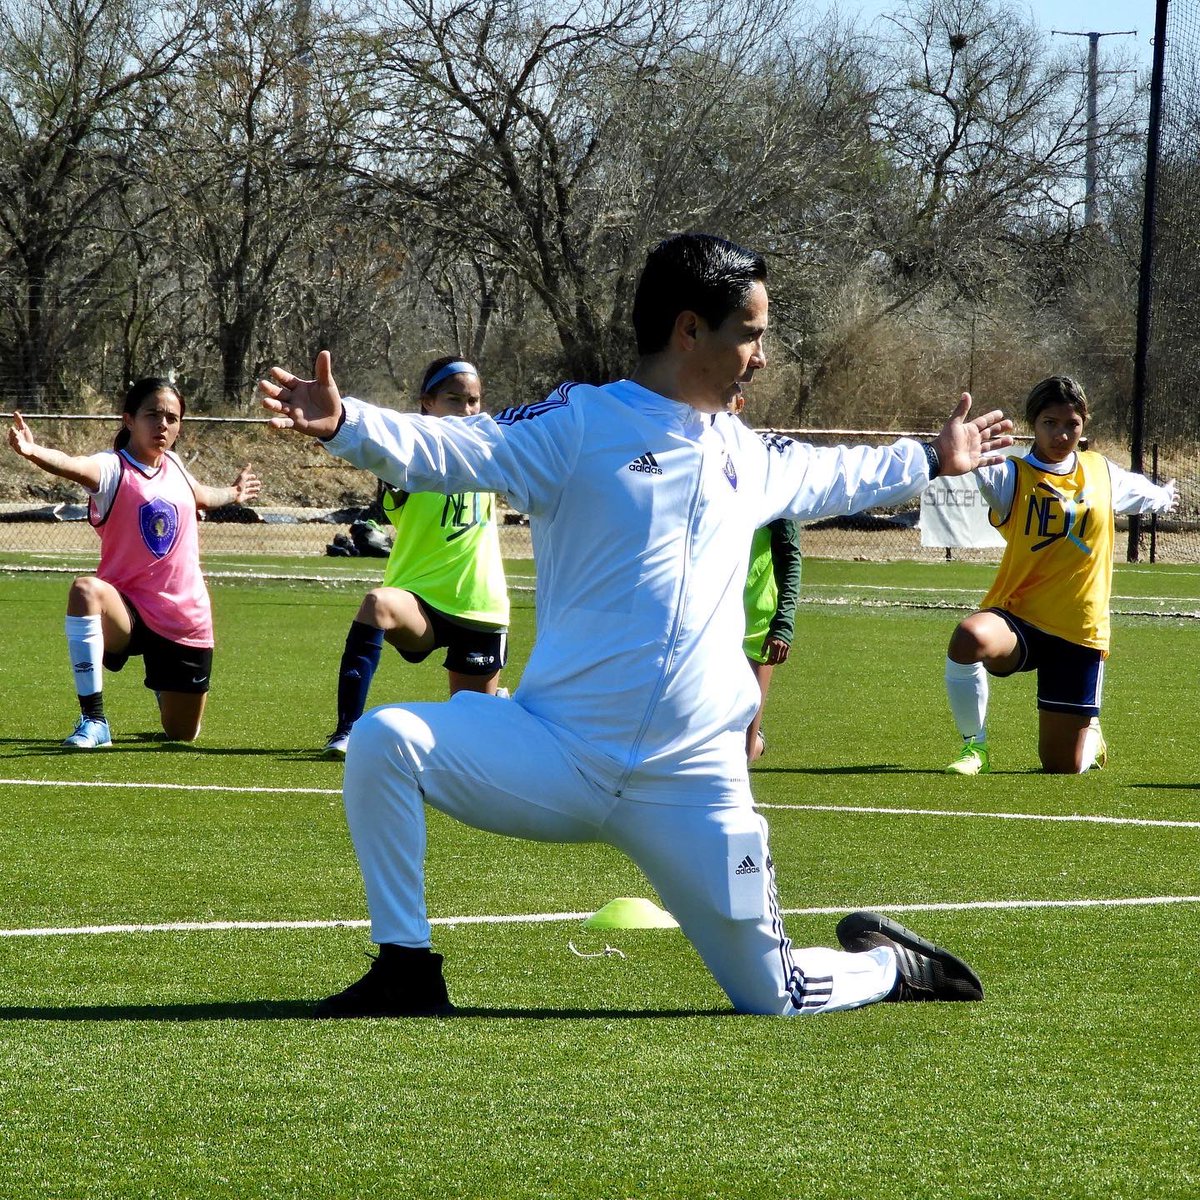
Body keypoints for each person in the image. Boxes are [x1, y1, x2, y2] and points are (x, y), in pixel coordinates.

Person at [260, 233, 1012, 1018]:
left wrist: (931, 454)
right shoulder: (579, 424)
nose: (760, 356)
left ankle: (890, 967)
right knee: (386, 742)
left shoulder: (747, 454)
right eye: (749, 334)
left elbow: (836, 472)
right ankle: (407, 971)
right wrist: (348, 423)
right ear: (691, 331)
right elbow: (453, 449)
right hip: (557, 754)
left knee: (774, 996)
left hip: (693, 781)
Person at [7, 378, 260, 748]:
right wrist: (33, 451)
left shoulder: (173, 465)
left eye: (172, 418)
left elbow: (203, 495)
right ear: (129, 420)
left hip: (183, 618)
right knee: (85, 590)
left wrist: (235, 492)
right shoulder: (112, 469)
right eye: (152, 415)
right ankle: (94, 720)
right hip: (126, 610)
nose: (163, 424)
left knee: (181, 734)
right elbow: (72, 465)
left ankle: (165, 686)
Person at [943, 375, 1176, 776]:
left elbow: (1144, 493)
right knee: (969, 637)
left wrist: (1165, 496)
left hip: (1078, 629)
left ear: (1084, 425)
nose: (1062, 433)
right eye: (1050, 423)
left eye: (1072, 424)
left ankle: (1090, 738)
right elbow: (971, 467)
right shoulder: (1011, 475)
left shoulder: (1101, 471)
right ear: (1033, 424)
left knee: (1061, 767)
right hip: (1019, 618)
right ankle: (973, 748)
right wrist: (955, 450)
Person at [322, 357, 510, 759]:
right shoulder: (410, 458)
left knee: (470, 738)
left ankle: (497, 706)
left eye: (474, 401)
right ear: (427, 402)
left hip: (480, 608)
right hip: (419, 601)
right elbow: (379, 445)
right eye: (454, 399)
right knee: (377, 604)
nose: (466, 410)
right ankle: (347, 730)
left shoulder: (491, 448)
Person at [742, 517, 801, 761]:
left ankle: (756, 741)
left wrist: (783, 626)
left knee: (742, 752)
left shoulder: (768, 485)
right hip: (709, 622)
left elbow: (790, 558)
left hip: (757, 626)